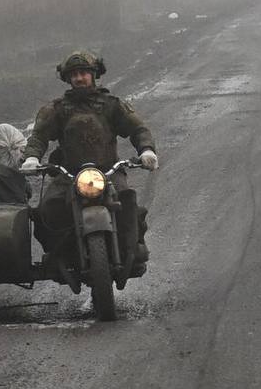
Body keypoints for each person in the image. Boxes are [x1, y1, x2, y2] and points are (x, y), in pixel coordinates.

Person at [20, 50, 158, 274]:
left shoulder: (112, 105)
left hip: (108, 172)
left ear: (94, 75)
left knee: (127, 201)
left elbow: (138, 128)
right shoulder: (56, 110)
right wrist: (32, 157)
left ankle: (133, 249)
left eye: (84, 72)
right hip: (69, 174)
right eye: (74, 74)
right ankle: (58, 255)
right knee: (48, 208)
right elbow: (39, 136)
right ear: (68, 79)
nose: (79, 78)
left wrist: (147, 150)